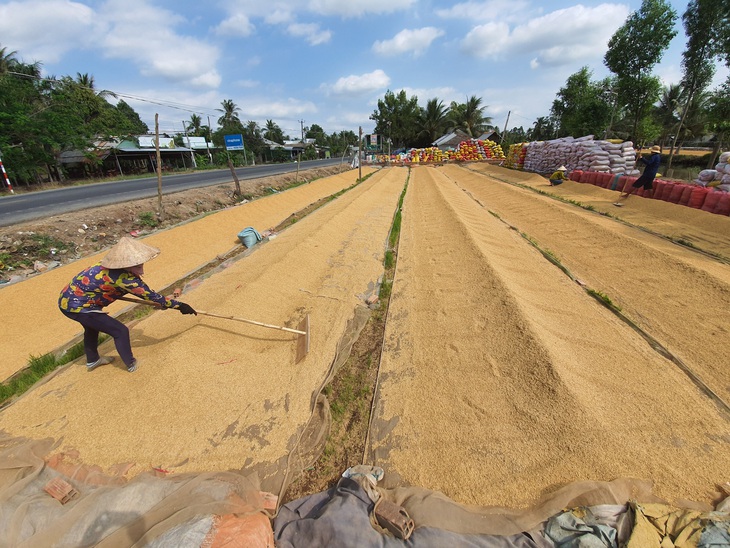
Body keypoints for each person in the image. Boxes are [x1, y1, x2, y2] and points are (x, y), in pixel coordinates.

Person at [58, 237, 197, 373]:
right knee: (120, 331)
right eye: (137, 267)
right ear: (126, 266)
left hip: (68, 299)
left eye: (141, 265)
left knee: (92, 328)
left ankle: (93, 360)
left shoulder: (105, 265)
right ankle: (131, 364)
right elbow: (152, 296)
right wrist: (179, 306)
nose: (141, 270)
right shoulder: (125, 279)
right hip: (79, 306)